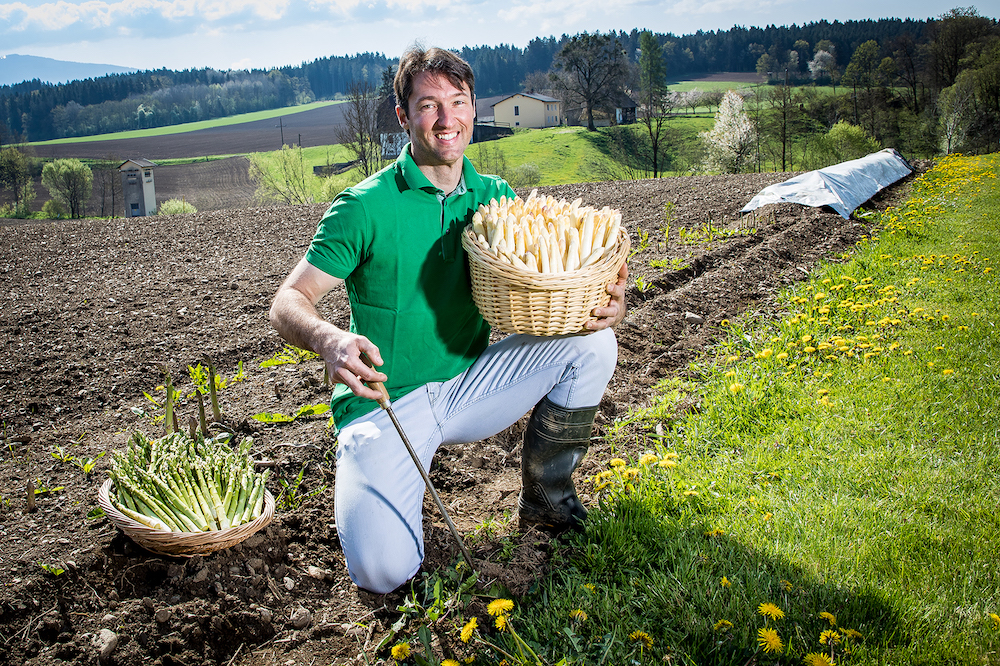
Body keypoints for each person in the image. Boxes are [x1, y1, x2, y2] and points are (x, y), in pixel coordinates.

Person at [269, 45, 627, 594]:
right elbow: (289, 300)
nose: (446, 119)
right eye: (428, 104)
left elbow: (551, 285)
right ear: (403, 116)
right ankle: (388, 488)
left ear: (473, 106)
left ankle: (547, 499)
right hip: (389, 399)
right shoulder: (364, 206)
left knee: (595, 346)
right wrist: (330, 339)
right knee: (383, 572)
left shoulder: (495, 200)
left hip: (470, 384)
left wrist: (602, 304)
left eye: (458, 102)